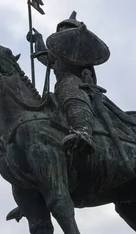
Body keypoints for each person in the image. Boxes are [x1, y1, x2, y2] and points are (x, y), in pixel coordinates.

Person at [27, 11, 110, 154]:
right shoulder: (59, 52)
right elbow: (47, 58)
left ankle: (83, 131)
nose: (62, 31)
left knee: (69, 88)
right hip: (60, 84)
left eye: (65, 28)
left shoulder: (82, 49)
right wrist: (38, 40)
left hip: (77, 82)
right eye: (60, 29)